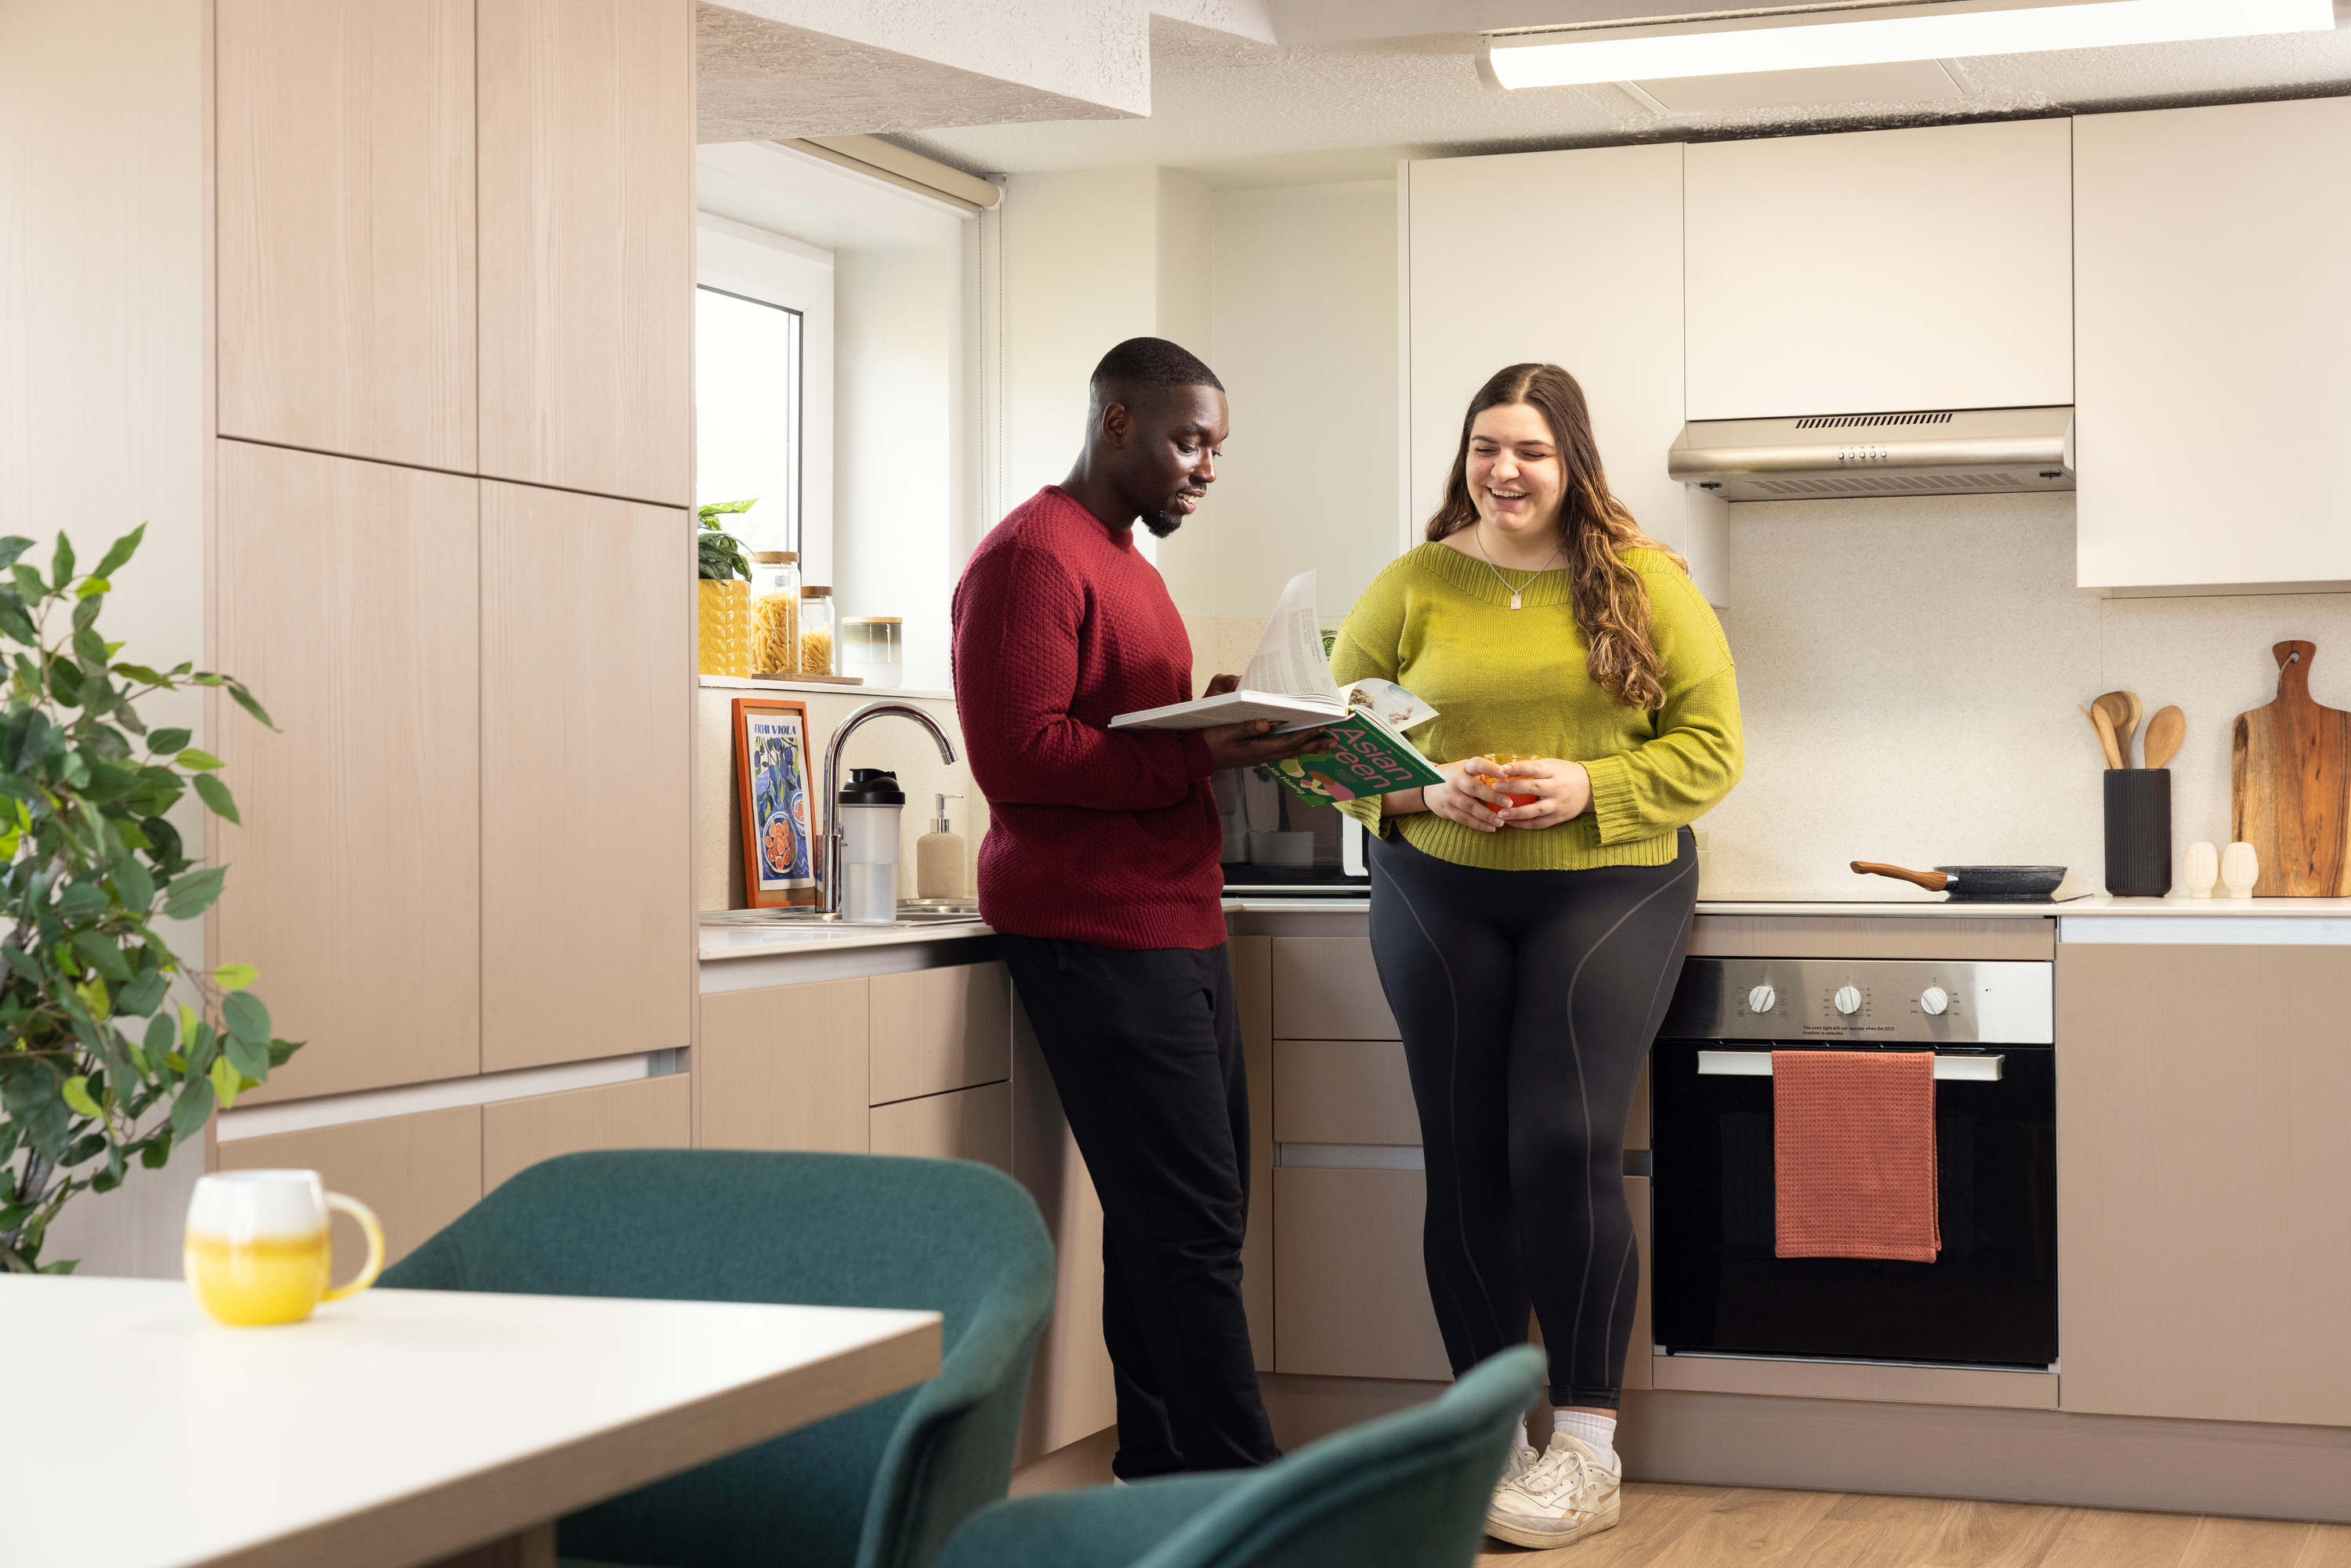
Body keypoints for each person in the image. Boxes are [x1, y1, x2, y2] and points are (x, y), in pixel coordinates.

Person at [1329, 362, 1743, 1550]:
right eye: (1484, 447)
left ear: (1574, 463)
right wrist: (1420, 784)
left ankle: (1587, 1452)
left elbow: (1713, 746)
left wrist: (1591, 784)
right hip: (1433, 883)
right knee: (1463, 1157)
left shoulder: (1647, 584)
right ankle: (1490, 1443)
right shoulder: (1414, 583)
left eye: (1531, 451)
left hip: (1607, 883)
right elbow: (1324, 734)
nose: (1504, 471)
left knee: (1559, 1143)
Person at [951, 337, 1330, 1480]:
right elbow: (1018, 756)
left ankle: (1164, 1471)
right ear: (1116, 422)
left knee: (1184, 1224)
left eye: (1216, 448)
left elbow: (1124, 726)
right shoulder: (1031, 558)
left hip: (1177, 918)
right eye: (1188, 441)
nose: (1206, 468)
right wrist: (1201, 754)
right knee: (1191, 1229)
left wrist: (1232, 718)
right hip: (1093, 929)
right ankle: (1247, 1494)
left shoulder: (1128, 563)